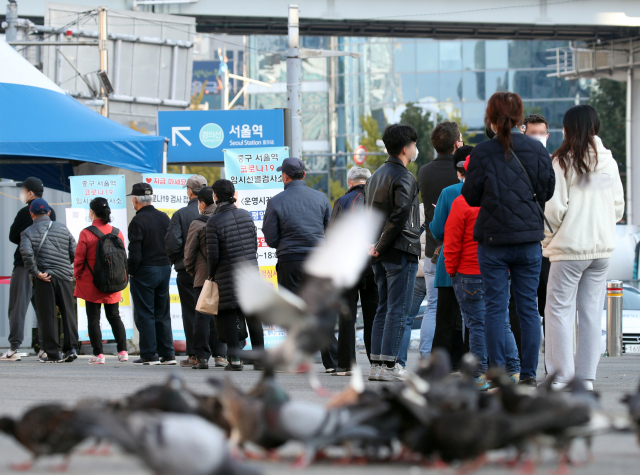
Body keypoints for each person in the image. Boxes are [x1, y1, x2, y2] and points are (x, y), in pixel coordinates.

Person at [462, 91, 555, 387]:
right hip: (529, 240)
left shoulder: (481, 152)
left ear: (490, 117)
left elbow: (471, 195)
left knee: (494, 308)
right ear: (519, 117)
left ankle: (499, 374)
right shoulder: (536, 149)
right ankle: (528, 375)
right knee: (528, 308)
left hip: (493, 240)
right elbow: (548, 190)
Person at [543, 105, 624, 391]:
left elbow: (554, 210)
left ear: (568, 129)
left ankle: (561, 377)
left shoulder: (563, 161)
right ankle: (587, 378)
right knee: (591, 313)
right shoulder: (609, 162)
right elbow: (618, 207)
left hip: (569, 249)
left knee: (558, 311)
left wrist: (547, 240)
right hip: (601, 250)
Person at [445, 156, 520, 389]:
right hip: (498, 271)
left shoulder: (461, 203)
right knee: (503, 322)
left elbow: (452, 241)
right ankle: (513, 370)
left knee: (477, 325)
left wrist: (451, 269)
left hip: (468, 272)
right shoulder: (502, 200)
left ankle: (478, 376)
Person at [262, 157, 338, 372]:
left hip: (290, 260)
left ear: (284, 176)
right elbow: (328, 231)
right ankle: (332, 362)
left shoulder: (276, 201)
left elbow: (271, 239)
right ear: (304, 175)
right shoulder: (321, 198)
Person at [364, 123, 420, 382]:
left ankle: (376, 365)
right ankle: (390, 366)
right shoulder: (404, 176)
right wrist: (382, 243)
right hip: (398, 248)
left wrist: (374, 245)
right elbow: (400, 217)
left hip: (378, 252)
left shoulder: (375, 175)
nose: (416, 149)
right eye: (415, 145)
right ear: (405, 148)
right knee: (398, 309)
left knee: (383, 308)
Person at [417, 121, 464, 359]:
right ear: (457, 143)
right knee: (464, 310)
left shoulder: (424, 171)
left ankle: (427, 356)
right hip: (462, 252)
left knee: (434, 307)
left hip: (434, 251)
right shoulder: (465, 175)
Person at [206, 179, 264, 371]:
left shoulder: (213, 221)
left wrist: (211, 275)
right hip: (249, 271)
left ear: (215, 196)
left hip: (227, 273)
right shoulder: (245, 215)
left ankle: (236, 361)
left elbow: (213, 254)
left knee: (229, 314)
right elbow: (254, 246)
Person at [330, 166, 379, 376]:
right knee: (374, 316)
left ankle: (346, 364)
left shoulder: (341, 202)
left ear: (350, 183)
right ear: (368, 182)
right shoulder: (376, 201)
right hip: (372, 266)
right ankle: (376, 361)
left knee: (347, 315)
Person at [428, 145, 474, 369]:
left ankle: (440, 368)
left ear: (458, 171)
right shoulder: (489, 191)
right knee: (473, 321)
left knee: (445, 320)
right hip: (476, 264)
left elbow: (437, 230)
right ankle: (471, 365)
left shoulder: (448, 193)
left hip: (450, 264)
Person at [3, 177, 56, 361]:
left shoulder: (26, 212)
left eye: (23, 190)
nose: (22, 193)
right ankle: (44, 348)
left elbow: (12, 236)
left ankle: (14, 349)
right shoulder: (52, 212)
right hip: (44, 265)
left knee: (18, 306)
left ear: (30, 193)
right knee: (43, 308)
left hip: (24, 265)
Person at [19, 199, 78, 363]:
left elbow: (26, 253)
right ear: (49, 212)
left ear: (31, 213)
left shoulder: (27, 232)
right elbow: (74, 250)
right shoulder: (63, 228)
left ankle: (53, 352)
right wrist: (68, 267)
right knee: (68, 312)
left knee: (47, 315)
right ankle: (71, 348)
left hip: (44, 278)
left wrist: (36, 272)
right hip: (65, 276)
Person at [73, 197, 128, 365]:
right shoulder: (116, 232)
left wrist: (77, 275)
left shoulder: (86, 233)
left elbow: (79, 260)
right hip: (113, 282)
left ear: (92, 212)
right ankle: (123, 351)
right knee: (114, 316)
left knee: (93, 318)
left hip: (92, 283)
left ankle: (99, 354)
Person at [127, 183, 175, 366]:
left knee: (145, 312)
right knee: (162, 312)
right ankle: (168, 353)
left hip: (145, 270)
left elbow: (135, 251)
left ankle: (149, 353)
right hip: (164, 267)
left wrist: (132, 271)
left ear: (135, 200)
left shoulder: (138, 221)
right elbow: (172, 243)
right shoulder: (164, 217)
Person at [165, 174, 207, 368]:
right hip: (211, 271)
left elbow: (173, 244)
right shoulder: (215, 213)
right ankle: (220, 354)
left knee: (191, 313)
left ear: (189, 191)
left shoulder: (180, 214)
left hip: (186, 272)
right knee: (212, 309)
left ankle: (194, 354)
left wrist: (178, 261)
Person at [184, 186, 228, 370]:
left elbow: (189, 254)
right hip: (224, 275)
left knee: (202, 316)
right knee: (222, 315)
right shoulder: (224, 218)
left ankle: (202, 357)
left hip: (203, 277)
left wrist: (193, 272)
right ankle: (220, 355)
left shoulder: (198, 223)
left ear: (202, 204)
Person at [523, 113, 552, 345]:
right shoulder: (515, 162)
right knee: (522, 303)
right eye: (533, 133)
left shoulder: (555, 163)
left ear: (548, 135)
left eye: (541, 134)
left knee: (547, 305)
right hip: (525, 238)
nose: (537, 138)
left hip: (549, 244)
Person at [396, 202, 426, 369]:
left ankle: (400, 362)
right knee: (440, 318)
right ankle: (433, 363)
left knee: (406, 319)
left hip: (416, 272)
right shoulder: (451, 203)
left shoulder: (416, 210)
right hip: (438, 272)